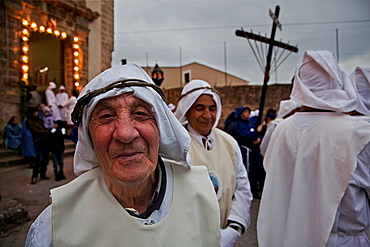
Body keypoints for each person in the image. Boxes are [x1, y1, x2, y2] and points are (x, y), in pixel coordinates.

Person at [25, 64, 220, 246]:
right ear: (89, 137)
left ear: (160, 126)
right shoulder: (54, 226)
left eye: (141, 114)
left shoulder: (202, 196)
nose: (126, 134)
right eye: (106, 116)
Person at [257, 50, 370, 247]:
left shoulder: (280, 129)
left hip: (290, 236)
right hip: (343, 240)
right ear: (338, 81)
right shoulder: (359, 132)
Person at [174, 79, 252, 247]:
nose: (207, 115)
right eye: (200, 108)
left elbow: (242, 188)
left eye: (212, 108)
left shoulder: (229, 143)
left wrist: (233, 228)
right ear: (187, 111)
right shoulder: (176, 146)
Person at [224, 106, 263, 199]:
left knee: (254, 170)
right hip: (244, 150)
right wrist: (254, 134)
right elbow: (244, 135)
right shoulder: (238, 124)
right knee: (245, 170)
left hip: (252, 150)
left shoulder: (250, 123)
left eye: (248, 112)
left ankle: (253, 189)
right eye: (245, 111)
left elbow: (257, 134)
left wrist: (258, 138)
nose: (247, 113)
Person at [26, 107, 51, 184]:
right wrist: (46, 132)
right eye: (34, 112)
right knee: (39, 160)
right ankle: (34, 176)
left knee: (45, 159)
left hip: (45, 142)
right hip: (38, 142)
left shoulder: (39, 120)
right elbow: (36, 131)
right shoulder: (30, 122)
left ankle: (43, 174)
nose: (36, 113)